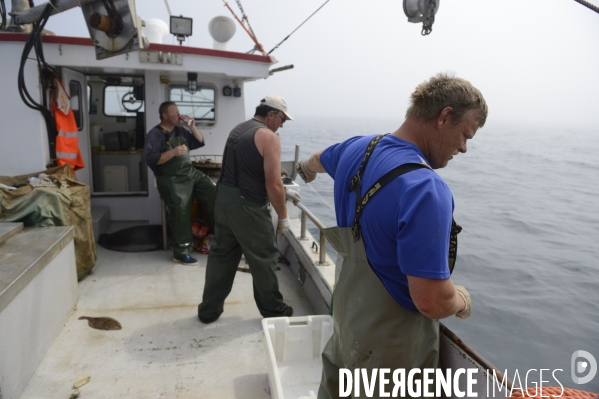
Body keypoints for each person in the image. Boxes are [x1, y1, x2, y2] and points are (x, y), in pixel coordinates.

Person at [295, 73, 487, 398]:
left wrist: (305, 170)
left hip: (348, 318)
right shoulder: (426, 188)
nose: (464, 148)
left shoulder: (357, 147)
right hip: (391, 351)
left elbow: (317, 159)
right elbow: (430, 300)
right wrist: (460, 301)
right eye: (465, 134)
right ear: (444, 117)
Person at [197, 95, 300, 324]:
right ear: (271, 114)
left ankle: (208, 310)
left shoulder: (239, 129)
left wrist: (282, 189)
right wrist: (283, 216)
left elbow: (246, 169)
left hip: (223, 201)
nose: (282, 124)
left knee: (222, 256)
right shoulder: (268, 137)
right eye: (282, 119)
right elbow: (272, 183)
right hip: (248, 207)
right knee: (263, 258)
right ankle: (274, 311)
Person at [145, 101, 216, 266]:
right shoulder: (155, 134)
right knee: (181, 207)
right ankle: (181, 253)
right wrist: (172, 152)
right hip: (170, 178)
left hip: (189, 173)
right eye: (175, 112)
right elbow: (152, 159)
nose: (179, 115)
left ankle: (219, 236)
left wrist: (193, 127)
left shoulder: (181, 130)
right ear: (165, 116)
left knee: (215, 191)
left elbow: (199, 141)